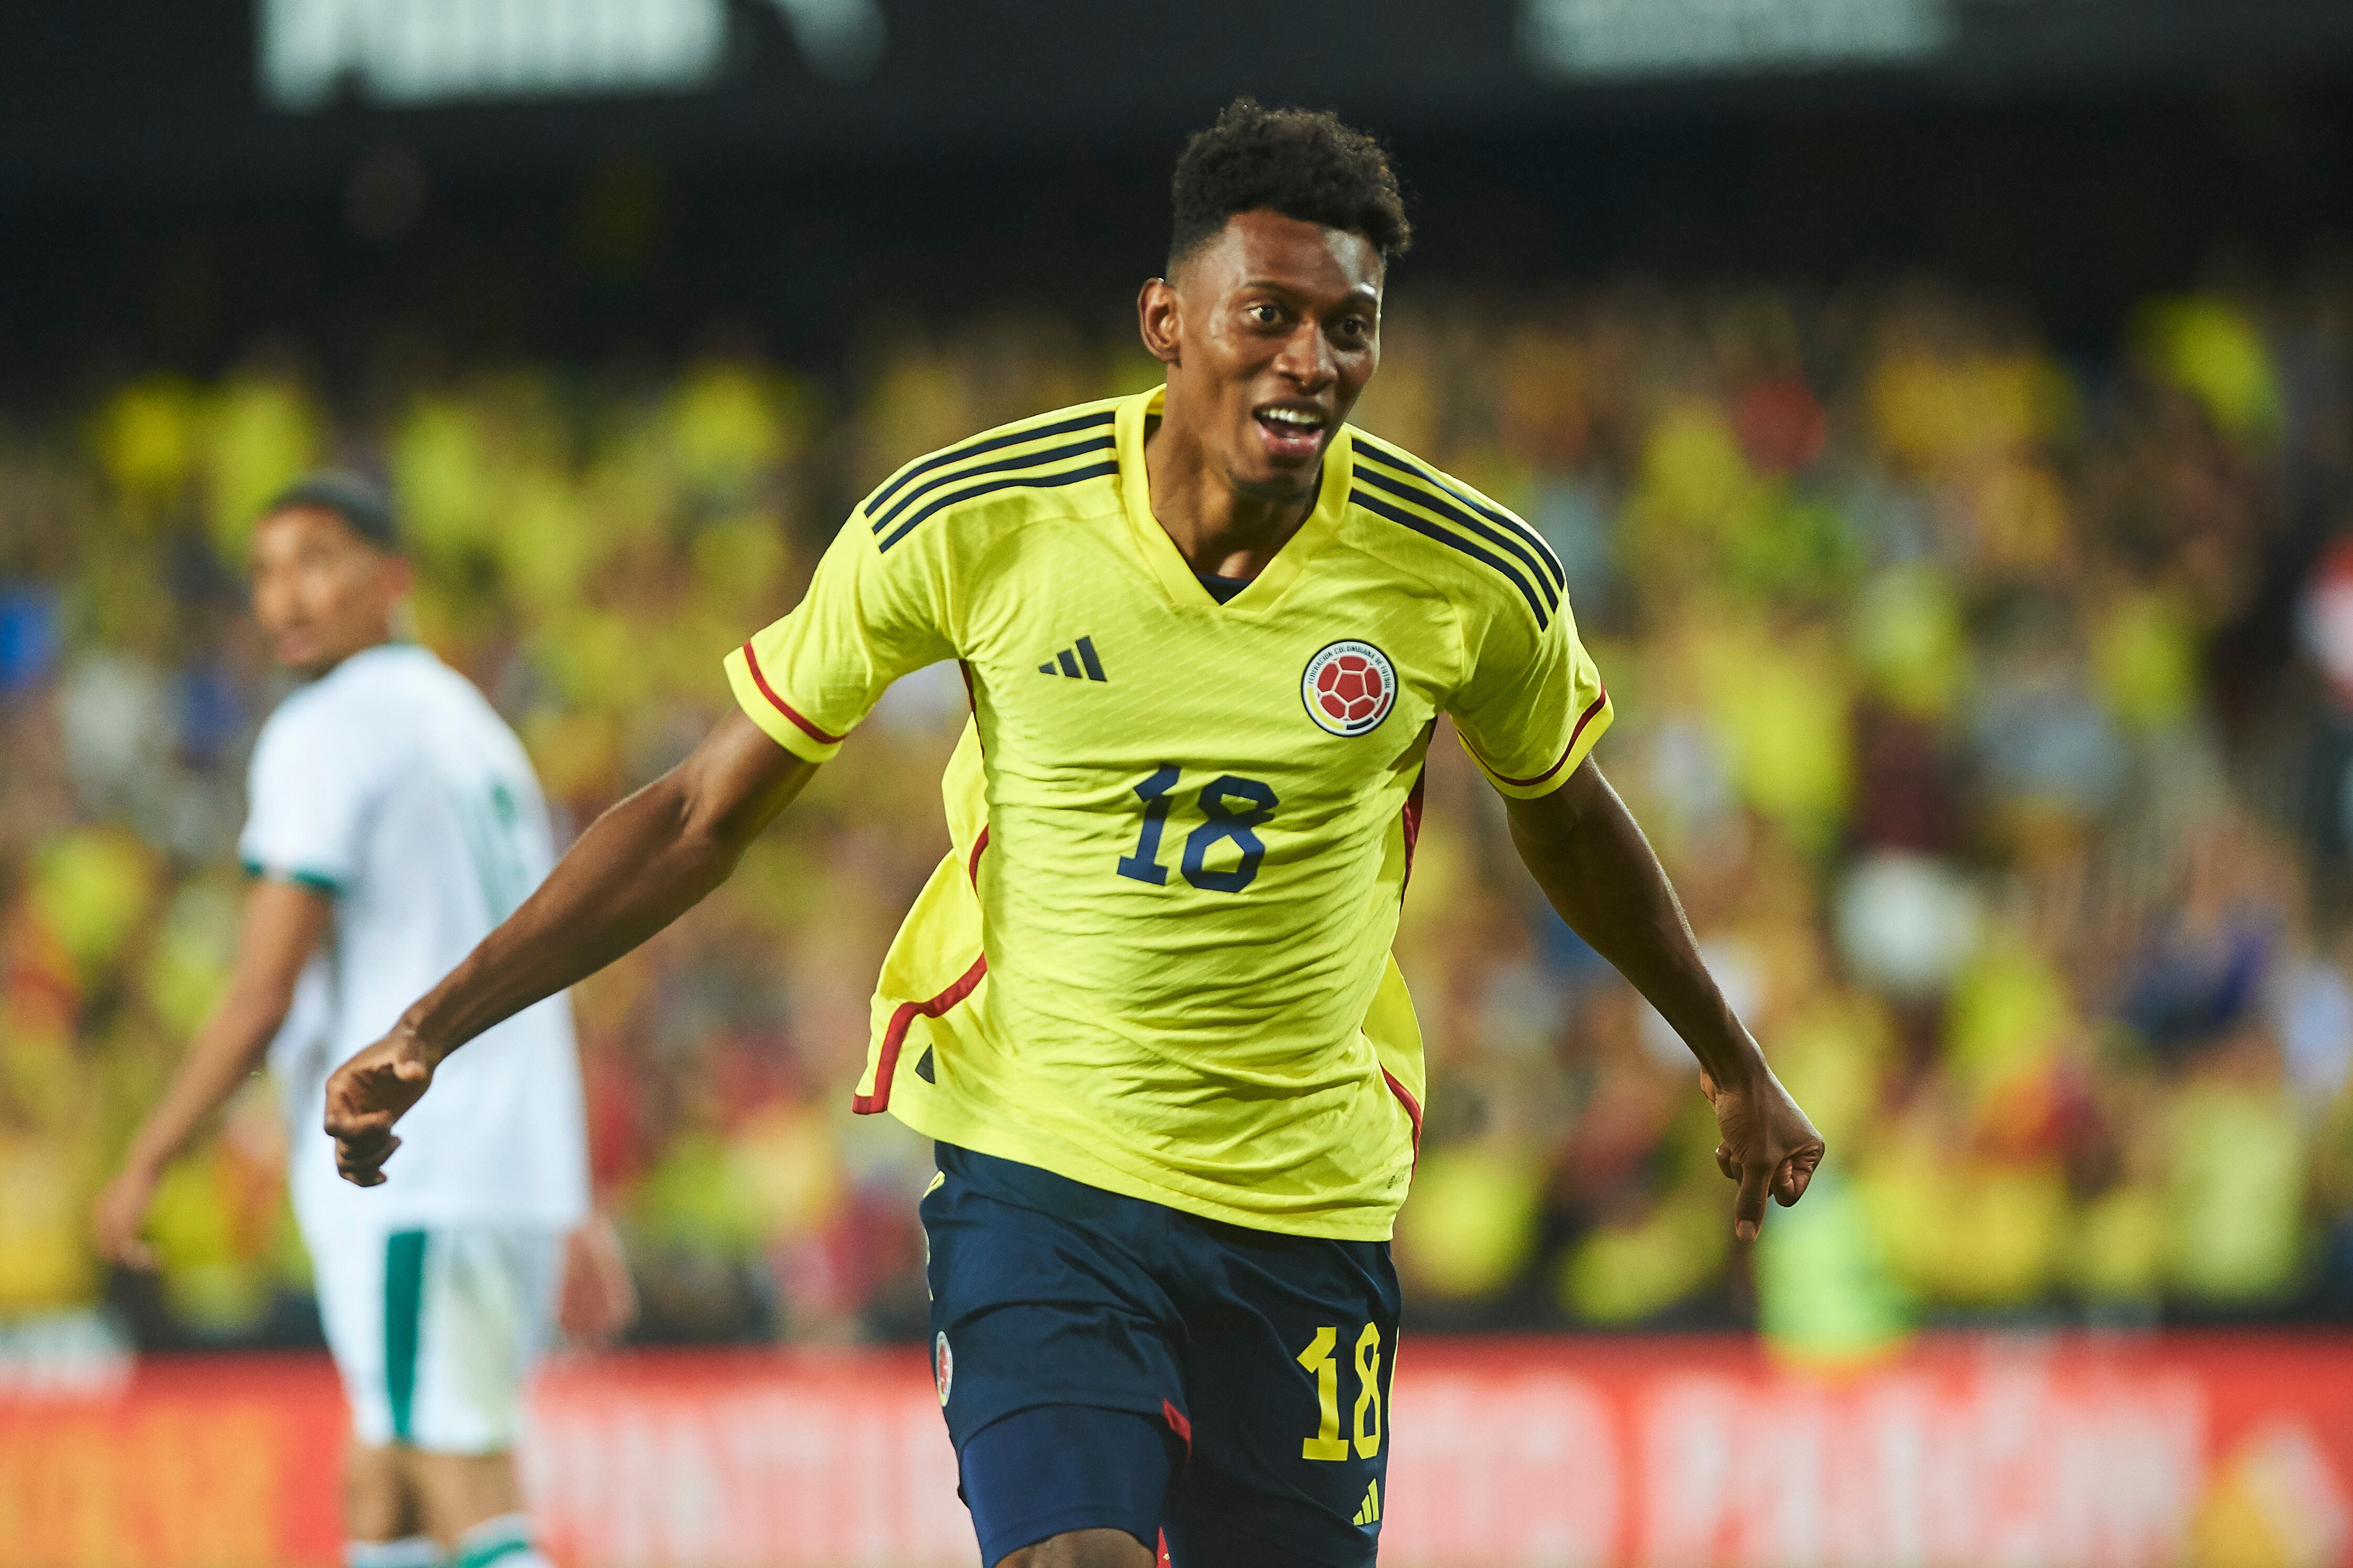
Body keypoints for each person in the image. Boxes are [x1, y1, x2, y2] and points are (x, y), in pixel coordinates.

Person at [322, 101, 1824, 1568]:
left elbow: (1562, 814)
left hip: (1303, 1190)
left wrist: (1727, 1055)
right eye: (1270, 314)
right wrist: (431, 1026)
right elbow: (704, 812)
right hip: (1041, 1162)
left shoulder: (1464, 573)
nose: (1310, 361)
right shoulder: (977, 521)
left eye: (1348, 326)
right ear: (1169, 319)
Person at [94, 473, 633, 1568]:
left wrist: (148, 1156)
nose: (287, 594)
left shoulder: (327, 725)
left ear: (392, 579)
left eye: (318, 561)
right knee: (382, 1475)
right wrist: (568, 1190)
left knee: (457, 1473)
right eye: (265, 571)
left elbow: (263, 990)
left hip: (411, 1168)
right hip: (500, 1162)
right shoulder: (475, 727)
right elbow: (536, 963)